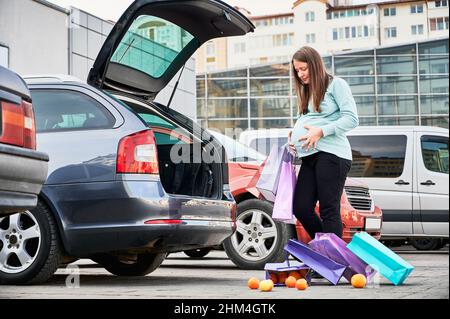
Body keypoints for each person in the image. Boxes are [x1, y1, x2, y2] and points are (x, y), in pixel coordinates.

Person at [288, 46, 359, 239]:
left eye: (303, 69)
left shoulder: (336, 85)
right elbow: (306, 122)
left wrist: (322, 131)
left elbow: (352, 118)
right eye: (297, 71)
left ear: (315, 64)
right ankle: (327, 250)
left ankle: (332, 261)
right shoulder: (307, 92)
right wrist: (294, 136)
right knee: (301, 207)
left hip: (332, 155)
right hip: (310, 156)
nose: (300, 74)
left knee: (329, 210)